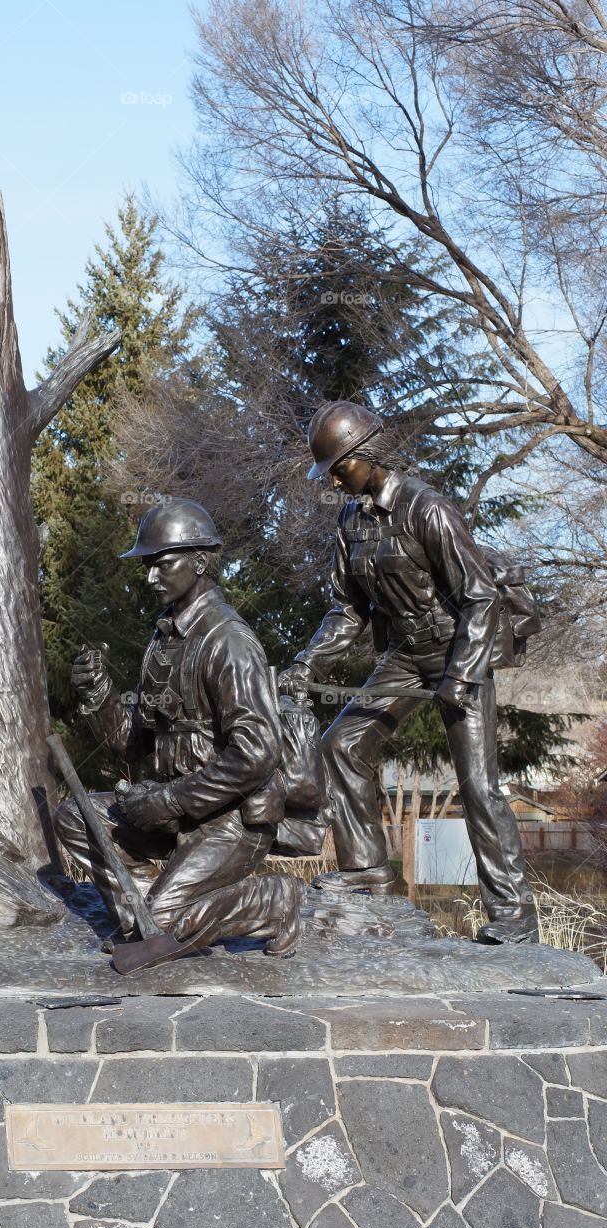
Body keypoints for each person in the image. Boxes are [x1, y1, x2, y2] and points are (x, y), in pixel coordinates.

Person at [281, 401, 537, 943]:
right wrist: (307, 663)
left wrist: (463, 675)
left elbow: (480, 597)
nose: (332, 477)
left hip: (456, 652)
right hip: (403, 657)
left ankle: (514, 915)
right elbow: (347, 609)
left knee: (479, 787)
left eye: (337, 466)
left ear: (366, 453)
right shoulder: (350, 521)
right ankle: (367, 869)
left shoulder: (428, 508)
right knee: (341, 747)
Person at [54, 497, 301, 958]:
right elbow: (131, 744)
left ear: (200, 561)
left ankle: (273, 902)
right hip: (171, 818)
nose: (150, 578)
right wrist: (100, 694)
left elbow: (257, 752)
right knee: (76, 815)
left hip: (227, 825)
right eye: (147, 565)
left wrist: (170, 799)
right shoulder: (162, 643)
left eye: (161, 564)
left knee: (169, 926)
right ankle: (147, 918)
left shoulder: (228, 641)